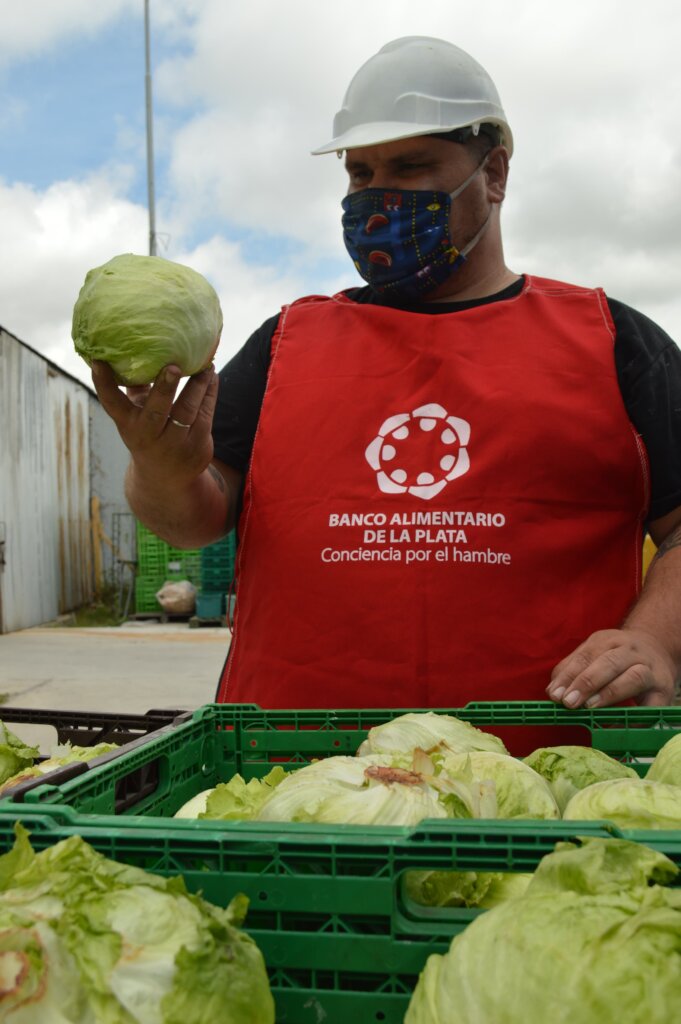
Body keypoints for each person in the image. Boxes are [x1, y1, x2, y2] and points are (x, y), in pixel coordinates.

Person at [93, 36, 681, 711]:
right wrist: (160, 466)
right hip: (293, 782)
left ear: (494, 173)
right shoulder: (286, 342)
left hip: (540, 777)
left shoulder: (611, 340)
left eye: (409, 166)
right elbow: (192, 521)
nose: (377, 197)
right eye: (359, 173)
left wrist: (655, 641)